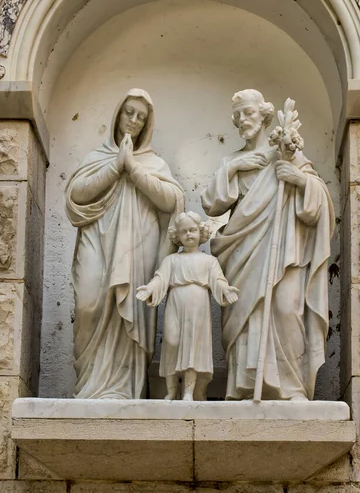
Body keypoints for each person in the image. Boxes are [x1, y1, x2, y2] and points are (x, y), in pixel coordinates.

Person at [201, 89, 335, 401]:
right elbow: (211, 205)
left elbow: (321, 209)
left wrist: (298, 179)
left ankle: (290, 387)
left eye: (247, 113)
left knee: (286, 307)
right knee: (246, 317)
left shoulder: (288, 154)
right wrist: (235, 167)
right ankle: (245, 387)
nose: (241, 121)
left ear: (264, 116)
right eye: (237, 117)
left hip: (285, 251)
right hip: (242, 254)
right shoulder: (232, 161)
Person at [65, 88, 184, 399]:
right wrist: (116, 166)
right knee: (88, 302)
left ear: (147, 125)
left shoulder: (153, 163)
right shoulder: (97, 157)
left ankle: (125, 390)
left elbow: (173, 200)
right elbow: (77, 195)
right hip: (97, 239)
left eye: (141, 117)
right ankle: (90, 387)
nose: (134, 120)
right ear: (117, 114)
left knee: (131, 305)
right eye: (129, 112)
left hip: (138, 246)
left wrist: (134, 168)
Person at [136, 211, 238, 401]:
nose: (189, 235)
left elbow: (218, 280)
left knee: (193, 347)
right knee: (171, 343)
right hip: (175, 304)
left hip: (198, 308)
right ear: (178, 236)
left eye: (193, 230)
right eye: (184, 232)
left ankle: (189, 393)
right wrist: (149, 289)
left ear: (201, 232)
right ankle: (171, 390)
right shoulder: (172, 260)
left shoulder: (209, 261)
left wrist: (226, 290)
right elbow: (160, 279)